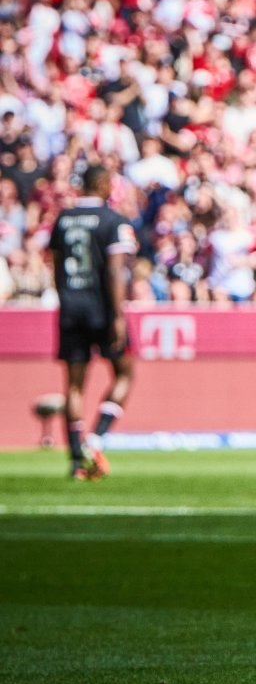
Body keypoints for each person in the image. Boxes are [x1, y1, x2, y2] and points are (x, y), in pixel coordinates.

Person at [49, 164, 137, 481]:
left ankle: (75, 461)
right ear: (100, 184)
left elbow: (57, 268)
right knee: (125, 373)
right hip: (101, 307)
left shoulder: (63, 219)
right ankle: (95, 440)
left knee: (73, 385)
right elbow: (115, 271)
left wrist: (66, 301)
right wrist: (118, 315)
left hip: (71, 307)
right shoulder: (113, 221)